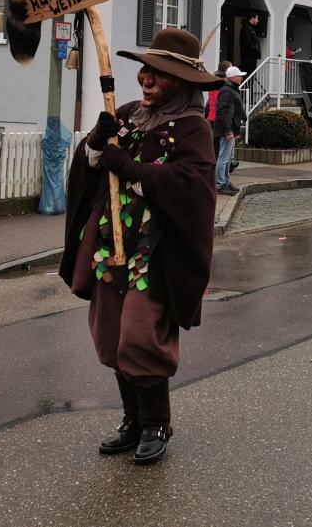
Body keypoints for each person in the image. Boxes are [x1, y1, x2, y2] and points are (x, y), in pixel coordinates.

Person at [60, 28, 219, 465]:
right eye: (146, 70)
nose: (146, 79)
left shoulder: (194, 128)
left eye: (159, 74)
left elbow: (190, 188)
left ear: (181, 83)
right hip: (112, 244)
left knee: (139, 336)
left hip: (156, 252)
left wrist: (129, 167)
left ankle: (156, 423)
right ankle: (132, 420)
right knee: (111, 335)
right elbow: (90, 167)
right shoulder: (126, 113)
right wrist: (96, 142)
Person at [214, 65, 246, 195]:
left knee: (227, 158)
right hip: (226, 130)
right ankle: (220, 184)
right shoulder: (227, 91)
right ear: (233, 77)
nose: (241, 78)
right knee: (223, 158)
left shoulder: (231, 90)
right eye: (239, 76)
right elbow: (222, 112)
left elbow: (233, 112)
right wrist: (228, 131)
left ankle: (225, 182)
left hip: (230, 129)